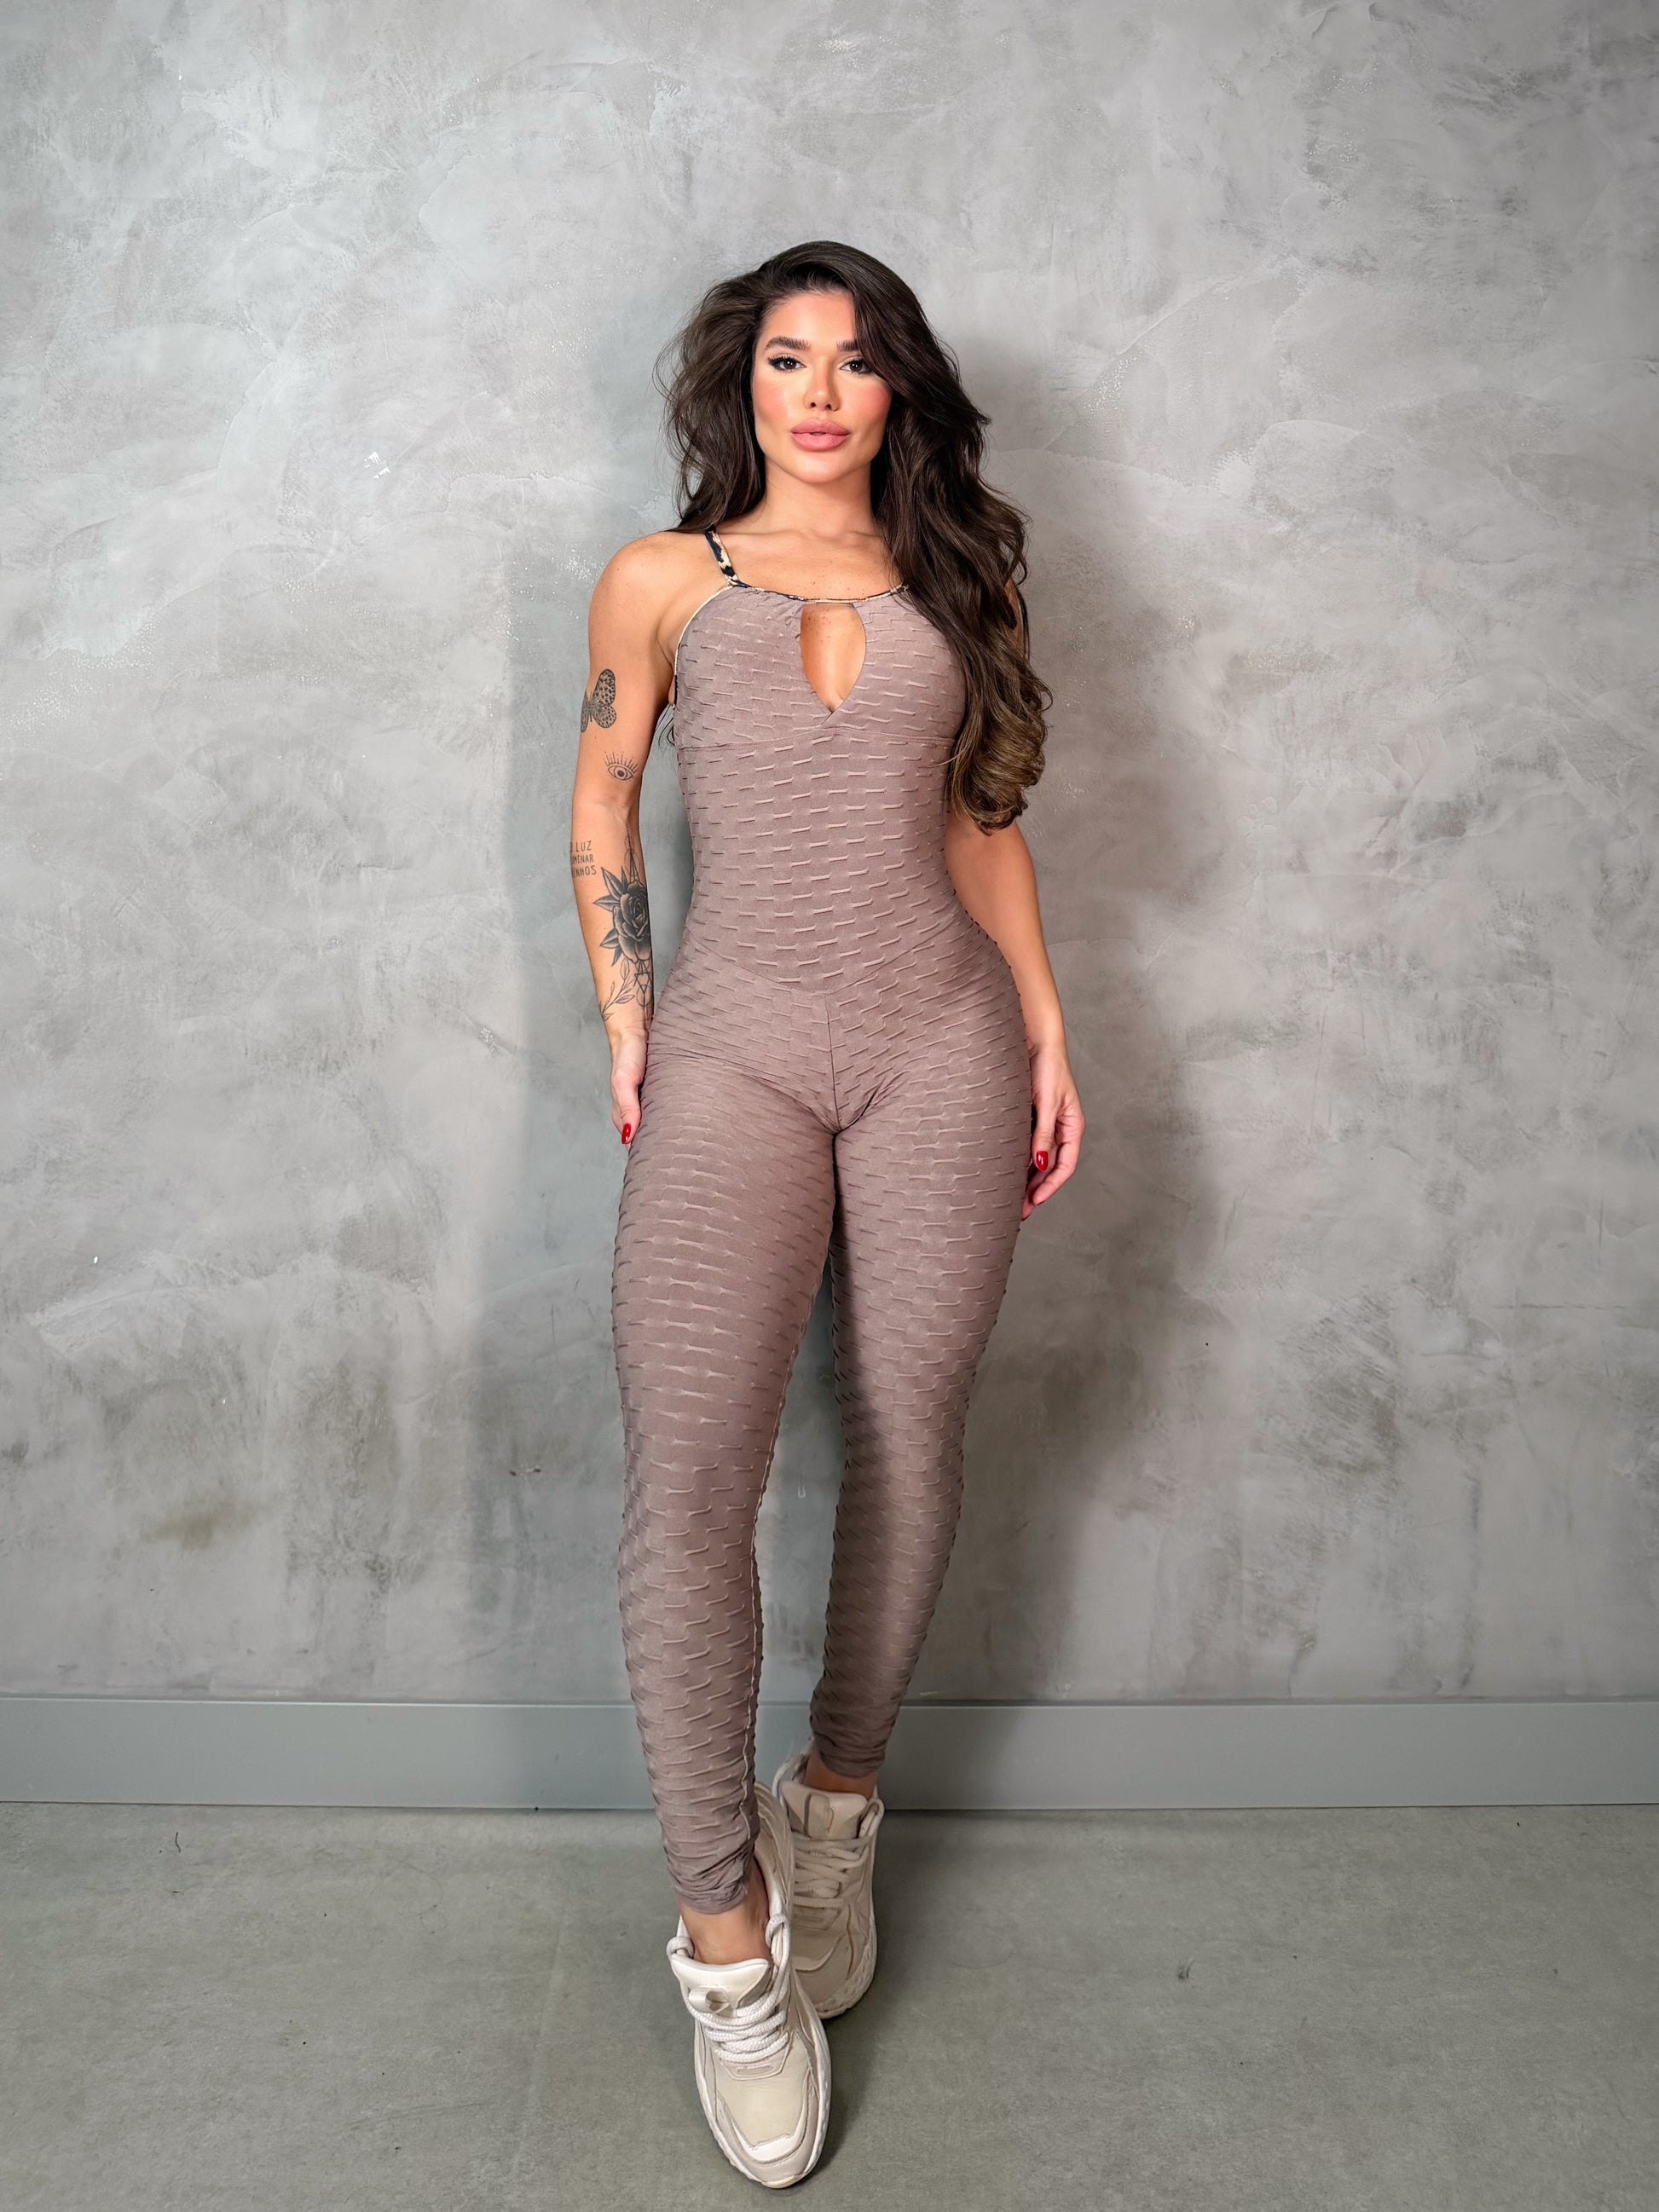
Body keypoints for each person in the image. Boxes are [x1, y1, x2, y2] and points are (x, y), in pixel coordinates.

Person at [569, 240, 1084, 2187]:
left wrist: (1045, 1025)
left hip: (940, 1036)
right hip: (736, 1044)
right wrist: (632, 1016)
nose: (816, 393)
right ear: (742, 386)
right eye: (785, 358)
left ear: (896, 395)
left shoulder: (961, 577)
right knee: (690, 1470)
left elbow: (979, 820)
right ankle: (726, 1947)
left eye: (855, 363)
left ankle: (835, 1806)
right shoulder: (662, 579)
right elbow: (601, 801)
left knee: (912, 1429)